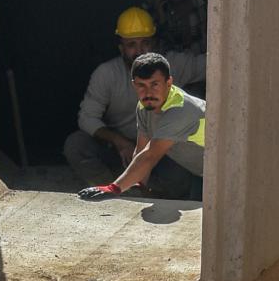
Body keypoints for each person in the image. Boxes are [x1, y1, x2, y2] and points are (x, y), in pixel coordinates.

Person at [64, 4, 204, 190]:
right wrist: (119, 142)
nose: (139, 51)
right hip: (117, 149)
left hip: (160, 150)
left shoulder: (171, 67)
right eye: (131, 44)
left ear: (168, 81)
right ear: (121, 48)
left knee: (179, 174)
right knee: (76, 145)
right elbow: (87, 118)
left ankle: (145, 193)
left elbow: (213, 63)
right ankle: (112, 195)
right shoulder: (106, 74)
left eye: (145, 43)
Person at [78, 52, 206, 204]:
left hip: (228, 174)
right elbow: (141, 150)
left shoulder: (181, 109)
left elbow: (150, 155)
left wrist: (114, 189)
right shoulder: (144, 106)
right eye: (141, 85)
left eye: (154, 84)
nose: (148, 93)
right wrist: (139, 186)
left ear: (169, 82)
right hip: (202, 174)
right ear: (134, 85)